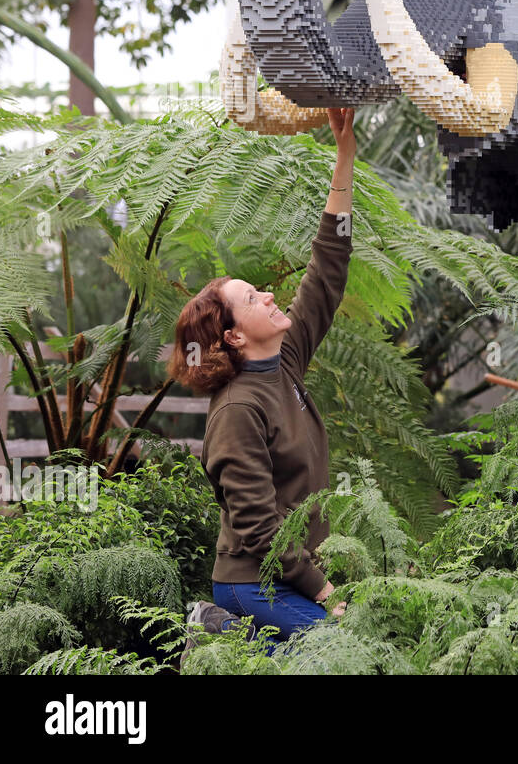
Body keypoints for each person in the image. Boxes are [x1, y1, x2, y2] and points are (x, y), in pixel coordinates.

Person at [169, 107, 357, 657]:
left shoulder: (286, 361)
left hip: (293, 574)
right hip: (254, 580)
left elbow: (326, 270)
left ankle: (240, 642)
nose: (271, 296)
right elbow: (259, 526)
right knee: (338, 654)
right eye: (253, 298)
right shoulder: (236, 412)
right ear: (231, 337)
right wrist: (326, 593)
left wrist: (343, 160)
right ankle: (221, 629)